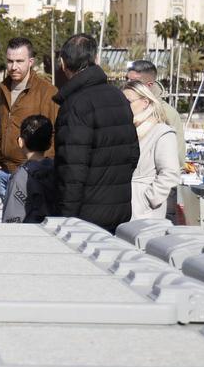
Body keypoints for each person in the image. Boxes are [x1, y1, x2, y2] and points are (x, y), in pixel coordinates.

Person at [45, 34, 139, 233]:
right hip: (119, 209)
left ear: (62, 63)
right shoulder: (118, 96)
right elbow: (133, 154)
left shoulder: (75, 104)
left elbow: (71, 170)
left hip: (84, 218)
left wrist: (64, 220)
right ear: (96, 59)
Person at [0, 37, 58, 201]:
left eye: (19, 61)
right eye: (9, 61)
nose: (13, 67)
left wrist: (40, 168)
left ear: (31, 62)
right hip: (2, 173)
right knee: (8, 223)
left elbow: (55, 133)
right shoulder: (3, 89)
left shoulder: (47, 91)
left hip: (31, 174)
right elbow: (1, 127)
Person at [122, 81, 181, 221]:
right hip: (123, 205)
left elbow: (170, 173)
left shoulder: (161, 132)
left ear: (145, 102)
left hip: (145, 211)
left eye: (128, 101)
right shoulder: (126, 130)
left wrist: (149, 199)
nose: (124, 106)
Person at [1, 114, 55, 223]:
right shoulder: (59, 171)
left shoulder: (20, 177)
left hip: (28, 235)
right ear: (50, 143)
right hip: (56, 233)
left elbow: (11, 218)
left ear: (21, 142)